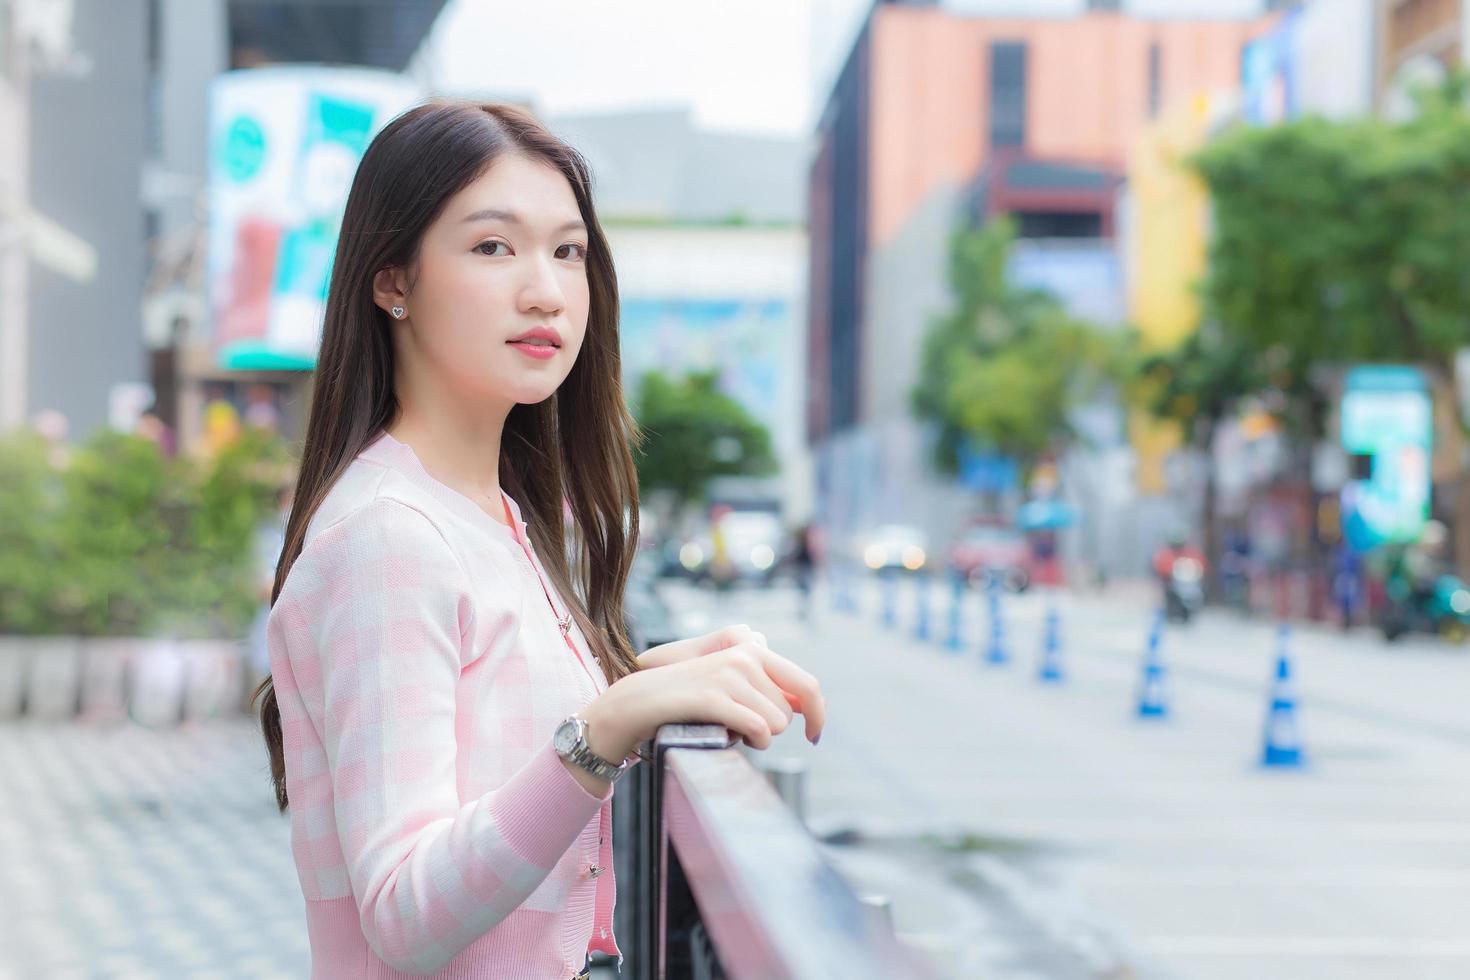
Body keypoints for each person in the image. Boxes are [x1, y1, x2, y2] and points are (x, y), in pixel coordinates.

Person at [252, 101, 826, 980]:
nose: (546, 289)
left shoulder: (494, 512)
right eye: (493, 247)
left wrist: (650, 681)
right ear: (391, 280)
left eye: (568, 251)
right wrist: (610, 721)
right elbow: (404, 913)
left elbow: (496, 735)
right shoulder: (389, 539)